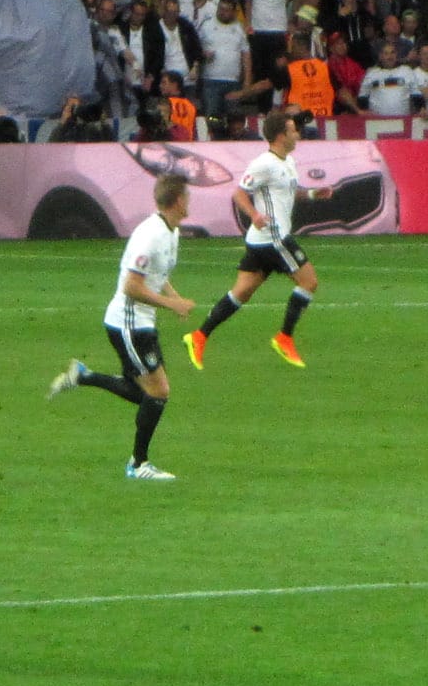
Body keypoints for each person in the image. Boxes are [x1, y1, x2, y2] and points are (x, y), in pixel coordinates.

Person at [47, 172, 194, 480]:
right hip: (128, 324)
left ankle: (83, 376)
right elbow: (131, 286)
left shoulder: (171, 231)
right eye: (187, 196)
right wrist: (172, 305)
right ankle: (138, 465)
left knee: (146, 395)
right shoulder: (150, 234)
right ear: (178, 200)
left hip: (141, 323)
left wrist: (173, 294)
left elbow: (158, 271)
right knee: (158, 392)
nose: (189, 201)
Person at [185, 108, 325, 371]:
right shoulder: (264, 163)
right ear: (282, 135)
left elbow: (289, 194)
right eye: (294, 129)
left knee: (241, 292)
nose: (298, 133)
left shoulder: (288, 162)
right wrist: (254, 214)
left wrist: (316, 194)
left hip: (260, 241)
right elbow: (238, 193)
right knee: (309, 282)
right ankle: (284, 337)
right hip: (273, 238)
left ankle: (199, 335)